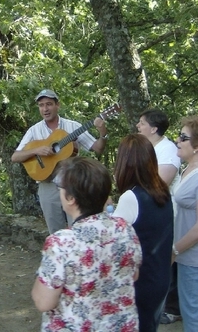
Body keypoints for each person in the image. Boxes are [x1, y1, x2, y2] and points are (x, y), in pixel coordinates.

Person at [32, 156, 142, 331]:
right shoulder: (125, 229)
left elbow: (44, 302)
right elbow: (133, 275)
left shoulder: (61, 243)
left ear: (70, 198)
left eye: (59, 186)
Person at [11, 89, 108, 233]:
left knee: (78, 228)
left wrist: (102, 132)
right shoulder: (34, 130)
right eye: (41, 105)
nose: (45, 109)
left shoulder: (73, 127)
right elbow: (15, 157)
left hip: (73, 185)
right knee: (55, 231)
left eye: (49, 104)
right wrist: (36, 150)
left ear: (58, 105)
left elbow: (98, 148)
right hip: (47, 184)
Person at [113, 133, 173, 332]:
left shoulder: (131, 197)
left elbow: (114, 242)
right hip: (161, 276)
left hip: (141, 282)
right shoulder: (163, 191)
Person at [136, 108, 182, 324]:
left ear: (153, 128)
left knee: (168, 257)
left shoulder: (168, 150)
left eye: (142, 123)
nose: (138, 126)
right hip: (149, 209)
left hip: (165, 211)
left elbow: (160, 184)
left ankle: (172, 307)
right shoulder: (149, 148)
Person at [172, 116, 198, 332]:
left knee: (193, 315)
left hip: (193, 259)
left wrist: (175, 250)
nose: (177, 141)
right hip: (185, 256)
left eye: (183, 137)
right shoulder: (186, 170)